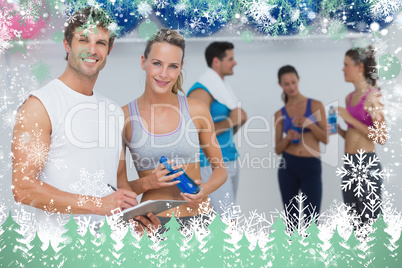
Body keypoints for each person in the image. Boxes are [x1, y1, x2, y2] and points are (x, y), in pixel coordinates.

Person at [11, 7, 161, 238]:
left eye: (101, 42)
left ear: (109, 49)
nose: (92, 50)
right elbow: (23, 188)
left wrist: (136, 220)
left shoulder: (113, 112)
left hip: (107, 249)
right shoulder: (40, 105)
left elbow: (119, 185)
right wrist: (98, 204)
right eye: (83, 40)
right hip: (57, 251)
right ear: (67, 44)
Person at [122, 29, 228, 226]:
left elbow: (220, 170)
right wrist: (149, 182)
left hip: (201, 221)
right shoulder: (124, 117)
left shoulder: (196, 110)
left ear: (180, 68)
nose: (164, 74)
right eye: (156, 63)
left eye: (172, 66)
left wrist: (204, 190)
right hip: (153, 225)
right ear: (143, 62)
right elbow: (118, 190)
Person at [187, 41, 247, 217]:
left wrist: (238, 123)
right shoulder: (201, 91)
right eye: (230, 59)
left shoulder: (221, 89)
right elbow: (196, 133)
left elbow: (223, 131)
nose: (234, 63)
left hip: (229, 158)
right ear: (216, 62)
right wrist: (230, 121)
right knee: (226, 221)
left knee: (226, 219)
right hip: (211, 163)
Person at [335, 46, 386, 224]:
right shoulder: (349, 98)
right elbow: (355, 135)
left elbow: (381, 137)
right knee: (354, 221)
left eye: (346, 64)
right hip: (349, 164)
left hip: (367, 164)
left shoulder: (373, 96)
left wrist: (349, 118)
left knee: (370, 222)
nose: (343, 69)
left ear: (359, 67)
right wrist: (339, 130)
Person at [274, 65, 328, 229]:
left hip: (310, 165)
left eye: (293, 82)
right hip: (288, 166)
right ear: (280, 85)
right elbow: (277, 149)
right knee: (290, 219)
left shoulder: (315, 105)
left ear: (298, 81)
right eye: (286, 84)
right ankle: (292, 253)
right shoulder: (279, 114)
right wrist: (288, 138)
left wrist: (310, 124)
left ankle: (311, 253)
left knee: (312, 218)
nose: (291, 87)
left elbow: (325, 139)